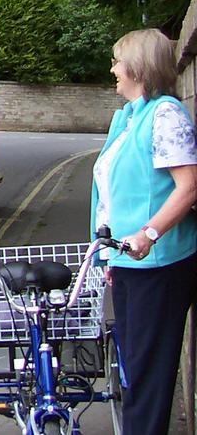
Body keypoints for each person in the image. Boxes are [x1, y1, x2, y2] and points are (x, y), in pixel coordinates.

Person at [90, 28, 197, 435]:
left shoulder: (166, 114)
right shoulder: (135, 116)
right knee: (133, 371)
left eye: (118, 60)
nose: (113, 68)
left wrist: (147, 234)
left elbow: (188, 187)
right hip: (130, 263)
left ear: (138, 66)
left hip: (159, 264)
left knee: (147, 377)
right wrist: (111, 256)